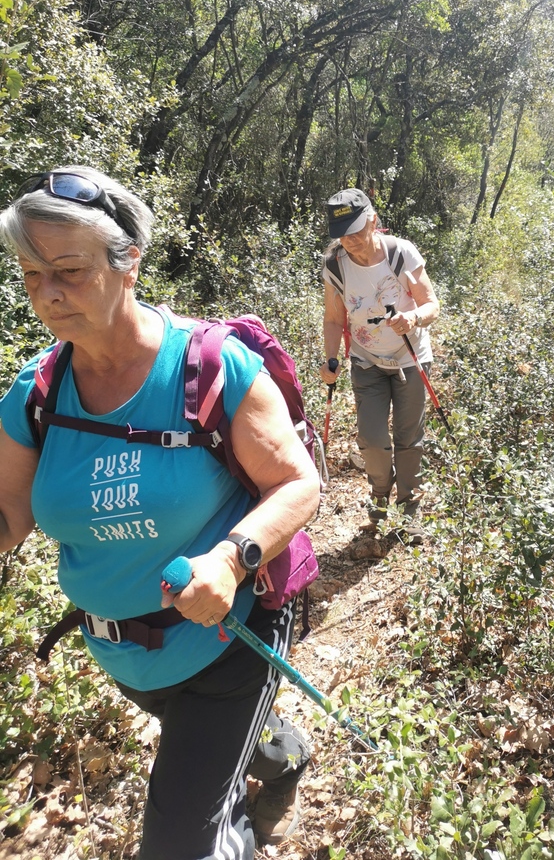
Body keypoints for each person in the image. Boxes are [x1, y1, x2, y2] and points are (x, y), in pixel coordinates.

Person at [0, 166, 320, 859]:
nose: (47, 294)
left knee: (180, 842)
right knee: (218, 746)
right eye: (30, 274)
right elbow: (8, 515)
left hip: (232, 635)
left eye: (69, 270)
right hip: (122, 651)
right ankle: (283, 753)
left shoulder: (212, 366)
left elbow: (299, 483)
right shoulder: (37, 393)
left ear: (129, 264)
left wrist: (229, 560)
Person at [319, 189, 440, 535]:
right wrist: (330, 360)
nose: (351, 241)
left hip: (410, 356)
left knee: (409, 437)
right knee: (372, 438)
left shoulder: (401, 254)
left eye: (357, 230)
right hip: (366, 359)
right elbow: (332, 318)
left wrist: (413, 318)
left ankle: (409, 509)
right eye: (343, 234)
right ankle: (380, 497)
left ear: (373, 221)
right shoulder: (335, 265)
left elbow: (432, 304)